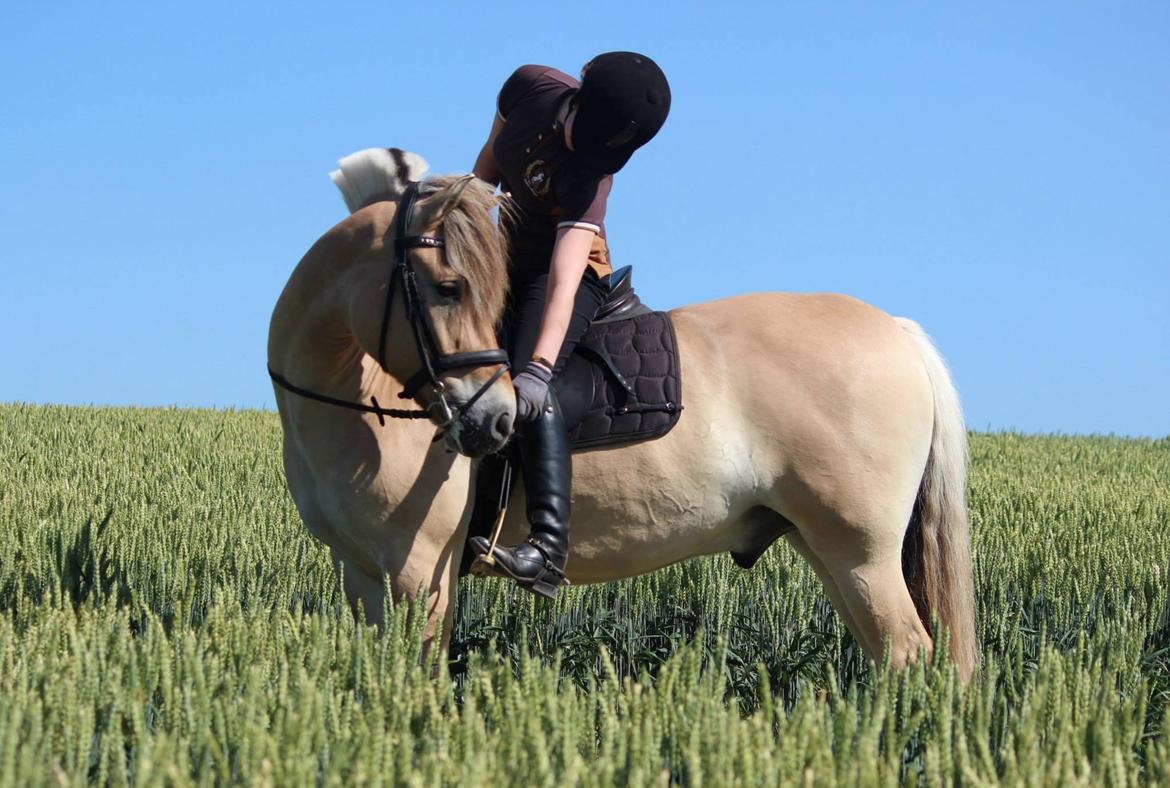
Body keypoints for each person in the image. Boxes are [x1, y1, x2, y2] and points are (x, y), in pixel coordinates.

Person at [468, 52, 671, 598]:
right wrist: (455, 229)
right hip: (503, 249)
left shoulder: (591, 176)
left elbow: (563, 275)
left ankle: (547, 548)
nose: (595, 152)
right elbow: (487, 169)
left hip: (563, 274)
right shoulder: (528, 87)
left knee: (528, 384)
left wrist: (537, 368)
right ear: (576, 97)